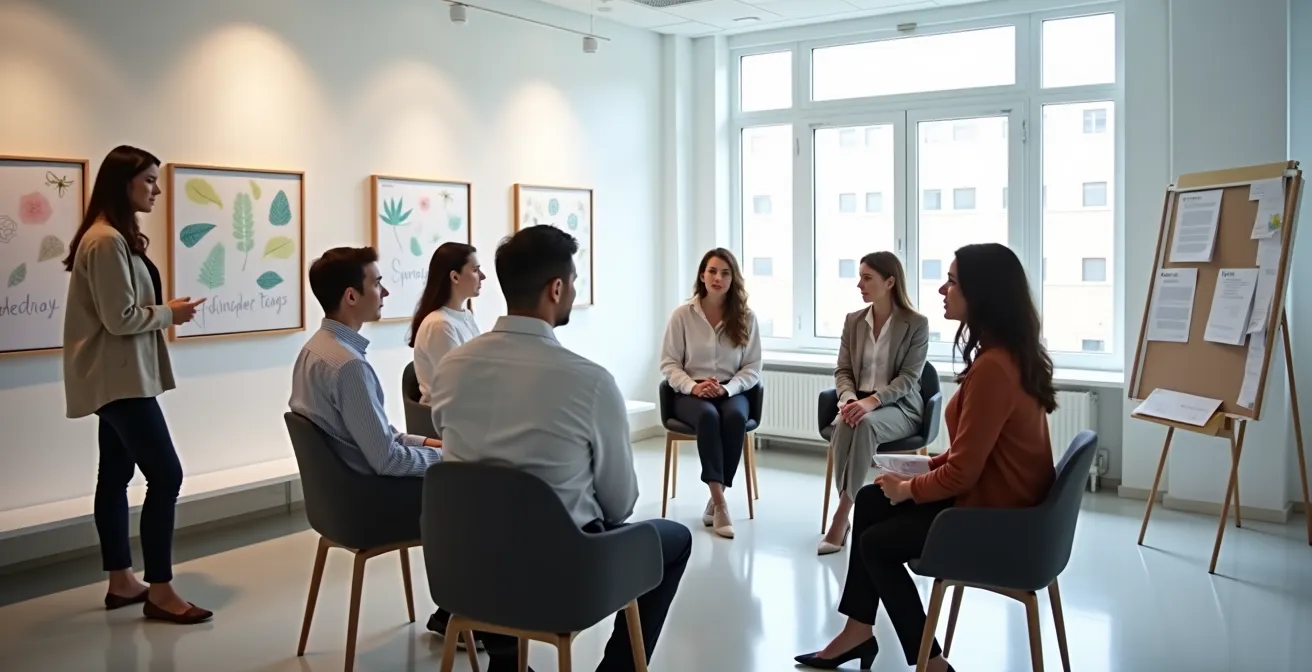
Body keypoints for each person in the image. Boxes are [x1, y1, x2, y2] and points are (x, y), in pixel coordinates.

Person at [430, 225, 692, 672]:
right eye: (572, 281)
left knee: (499, 531)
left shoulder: (451, 368)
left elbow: (457, 456)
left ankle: (506, 661)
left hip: (465, 571)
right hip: (562, 581)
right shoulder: (589, 381)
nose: (572, 290)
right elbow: (619, 504)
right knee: (674, 539)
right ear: (556, 288)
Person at [795, 243, 1058, 672]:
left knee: (875, 544)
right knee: (871, 499)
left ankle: (931, 662)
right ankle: (858, 630)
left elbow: (963, 473)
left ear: (982, 293)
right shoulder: (1008, 355)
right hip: (996, 499)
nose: (941, 289)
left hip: (997, 519)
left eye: (952, 282)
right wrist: (920, 471)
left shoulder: (994, 368)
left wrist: (909, 488)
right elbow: (969, 454)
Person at [62, 145, 210, 624]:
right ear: (122, 183)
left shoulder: (109, 237)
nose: (156, 190)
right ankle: (160, 590)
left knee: (115, 476)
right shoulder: (106, 241)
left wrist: (165, 311)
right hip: (121, 380)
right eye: (148, 180)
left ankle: (122, 581)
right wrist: (170, 313)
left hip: (115, 377)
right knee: (166, 476)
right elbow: (120, 318)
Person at [289, 246, 442, 477]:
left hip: (347, 488)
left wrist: (429, 444)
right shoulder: (349, 366)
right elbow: (389, 461)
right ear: (351, 296)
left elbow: (376, 436)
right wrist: (448, 457)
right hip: (374, 490)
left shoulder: (313, 350)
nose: (385, 292)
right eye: (377, 284)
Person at [819, 251, 929, 555]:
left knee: (864, 423)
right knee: (845, 423)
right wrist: (849, 399)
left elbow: (909, 378)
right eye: (860, 277)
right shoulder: (853, 321)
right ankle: (845, 508)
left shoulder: (916, 323)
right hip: (858, 401)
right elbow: (843, 370)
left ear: (890, 282)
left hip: (900, 407)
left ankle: (841, 516)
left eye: (867, 278)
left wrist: (873, 401)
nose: (859, 285)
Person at [658, 248, 762, 539]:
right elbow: (669, 363)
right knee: (707, 417)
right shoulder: (682, 315)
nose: (718, 278)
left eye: (725, 273)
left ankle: (716, 496)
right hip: (690, 392)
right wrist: (693, 387)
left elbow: (753, 367)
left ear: (733, 279)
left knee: (734, 418)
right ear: (702, 275)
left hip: (731, 390)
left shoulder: (746, 317)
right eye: (713, 271)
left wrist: (727, 389)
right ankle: (720, 503)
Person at [409, 242, 484, 405]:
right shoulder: (440, 324)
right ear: (455, 277)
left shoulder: (465, 315)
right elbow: (459, 384)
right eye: (475, 270)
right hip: (448, 415)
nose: (482, 276)